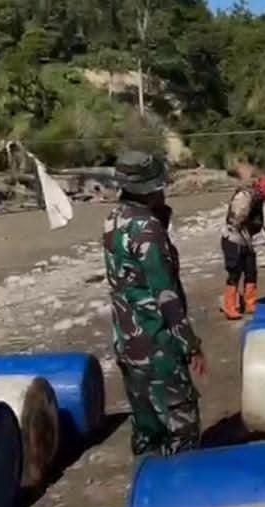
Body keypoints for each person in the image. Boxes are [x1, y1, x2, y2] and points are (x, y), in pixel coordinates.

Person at [104, 151, 206, 457]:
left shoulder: (113, 219)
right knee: (182, 429)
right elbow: (165, 294)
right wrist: (190, 344)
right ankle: (178, 481)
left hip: (126, 340)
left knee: (147, 426)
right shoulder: (148, 229)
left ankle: (147, 477)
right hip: (157, 343)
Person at [221, 175, 265, 320]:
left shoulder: (257, 198)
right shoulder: (244, 197)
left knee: (251, 272)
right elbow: (235, 221)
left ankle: (250, 304)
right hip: (233, 239)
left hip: (248, 241)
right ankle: (230, 307)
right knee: (234, 273)